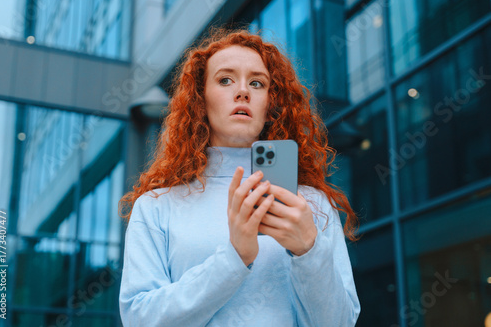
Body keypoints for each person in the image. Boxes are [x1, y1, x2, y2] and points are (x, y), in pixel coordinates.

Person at [118, 28, 360, 327]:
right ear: (200, 101)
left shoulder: (310, 204)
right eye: (225, 80)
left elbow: (340, 324)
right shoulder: (156, 206)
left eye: (257, 83)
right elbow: (139, 320)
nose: (243, 90)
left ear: (271, 105)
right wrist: (234, 258)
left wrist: (309, 251)